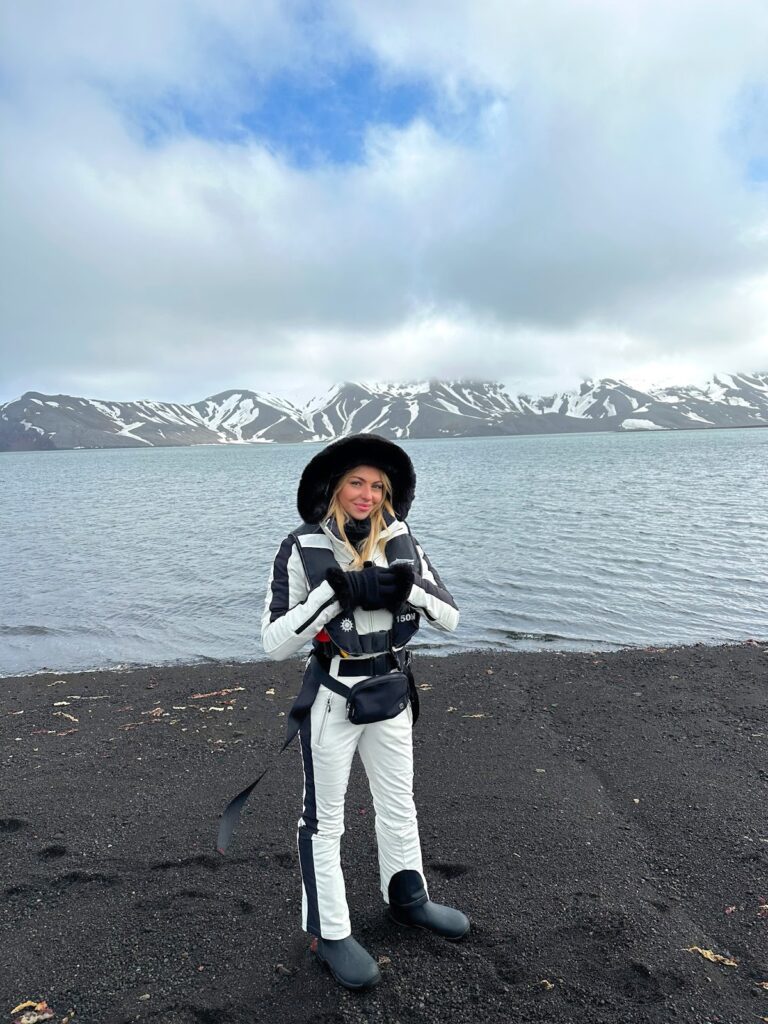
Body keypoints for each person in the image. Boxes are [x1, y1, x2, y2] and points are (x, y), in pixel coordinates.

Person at [261, 433, 469, 990]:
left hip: (391, 692)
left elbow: (450, 616)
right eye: (357, 482)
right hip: (332, 697)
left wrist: (408, 589)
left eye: (378, 486)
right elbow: (274, 642)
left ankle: (408, 897)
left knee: (398, 802)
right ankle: (329, 930)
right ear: (333, 486)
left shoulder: (403, 540)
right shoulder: (300, 547)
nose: (367, 495)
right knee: (323, 820)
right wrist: (332, 596)